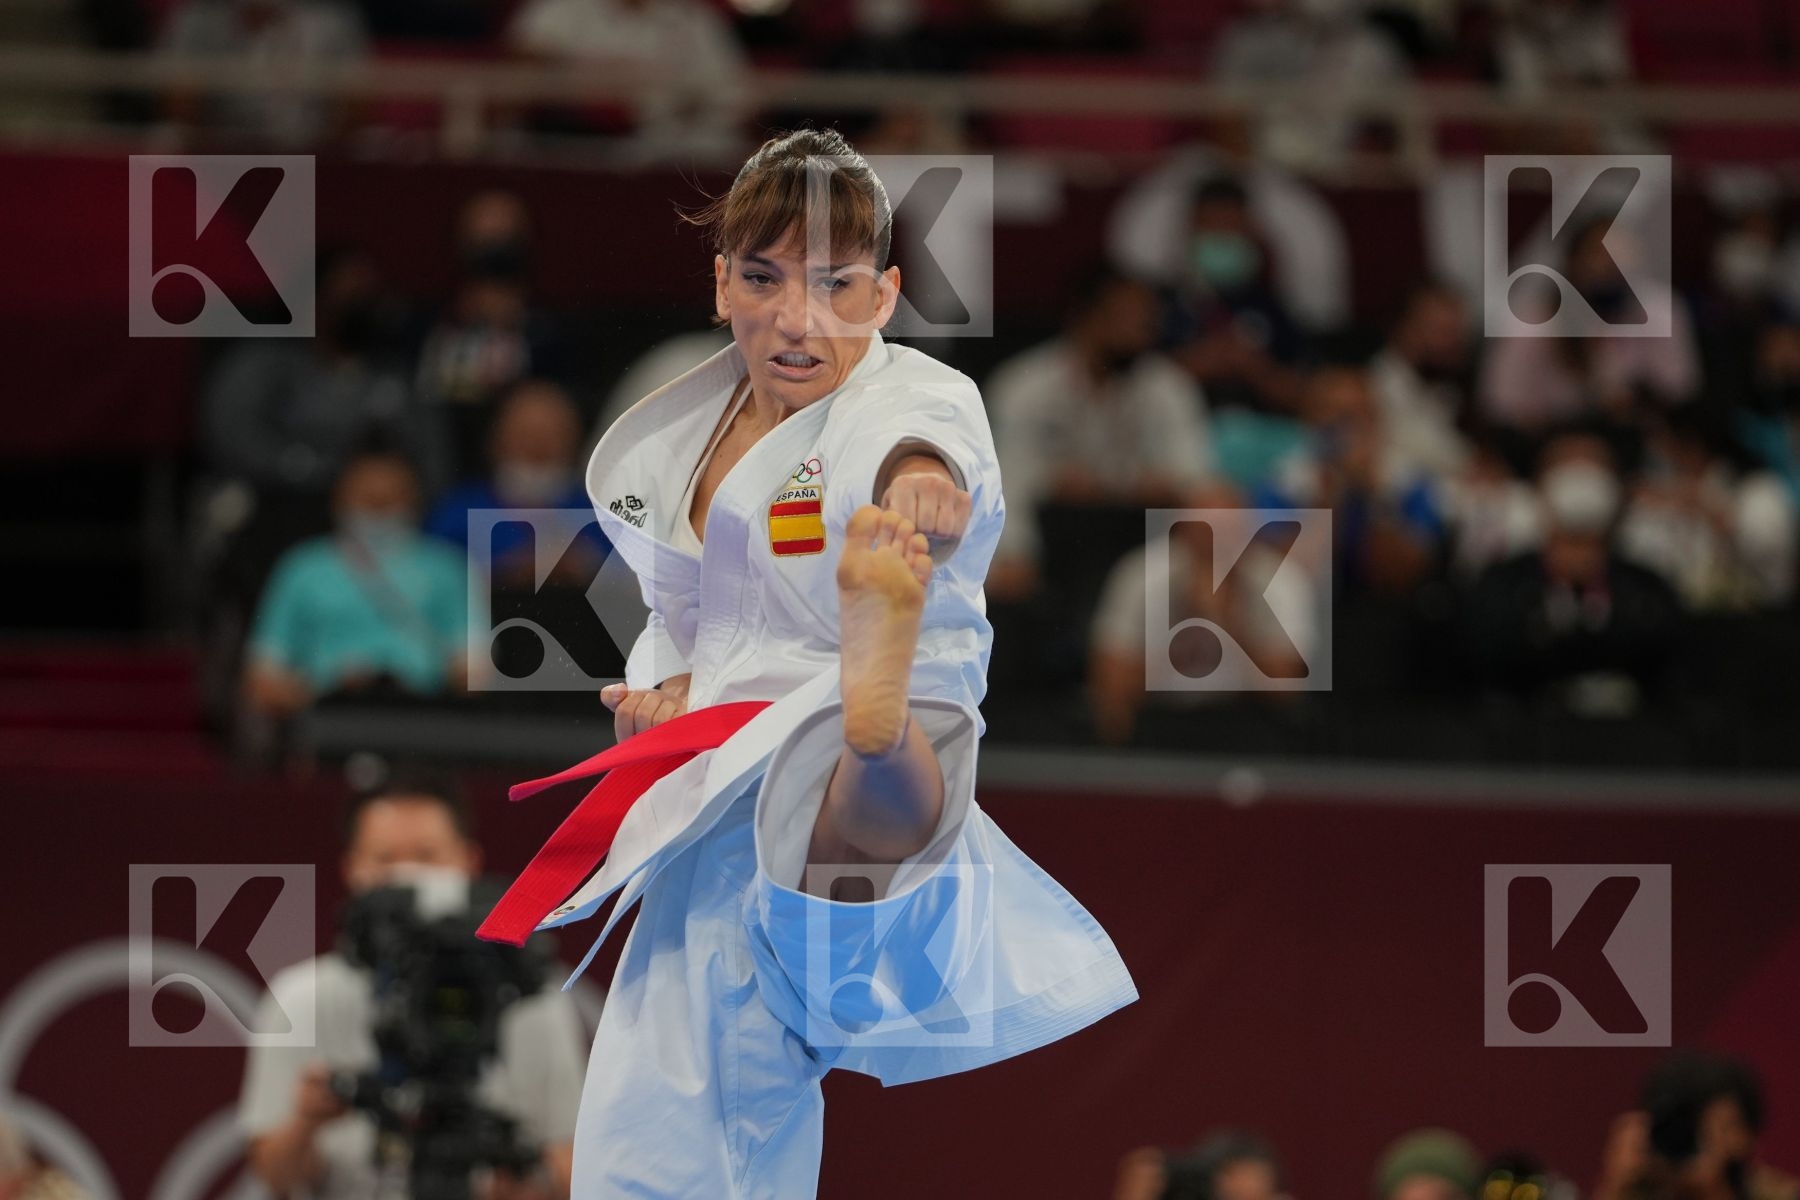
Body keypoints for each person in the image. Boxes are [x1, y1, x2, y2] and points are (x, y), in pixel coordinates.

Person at [475, 128, 1136, 1198]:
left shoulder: (911, 399)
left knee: (842, 798)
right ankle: (861, 748)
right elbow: (683, 614)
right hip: (716, 798)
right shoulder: (692, 436)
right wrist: (665, 690)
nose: (797, 318)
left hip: (877, 716)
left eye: (835, 284)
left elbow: (925, 452)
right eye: (766, 278)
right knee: (651, 1114)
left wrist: (919, 493)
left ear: (884, 296)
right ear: (721, 282)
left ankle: (872, 723)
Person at [238, 769, 584, 1199]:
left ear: (467, 863)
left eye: (427, 855)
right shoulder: (301, 997)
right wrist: (306, 1121)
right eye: (386, 859)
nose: (409, 878)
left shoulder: (530, 997)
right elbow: (275, 1177)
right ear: (353, 869)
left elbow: (577, 1169)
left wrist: (526, 1185)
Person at [986, 266, 1214, 601]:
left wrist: (1121, 484)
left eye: (1147, 319)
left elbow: (1197, 482)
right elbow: (1004, 482)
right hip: (1052, 543)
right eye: (1127, 316)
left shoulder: (1169, 388)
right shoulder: (1025, 388)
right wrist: (1014, 553)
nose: (1141, 330)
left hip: (1143, 541)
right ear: (1086, 316)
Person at [243, 447, 471, 721]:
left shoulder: (446, 566)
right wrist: (310, 696)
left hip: (421, 717)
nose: (378, 510)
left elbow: (474, 665)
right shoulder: (302, 567)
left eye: (388, 500)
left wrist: (441, 692)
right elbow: (262, 674)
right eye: (368, 499)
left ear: (414, 499)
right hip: (326, 712)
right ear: (338, 498)